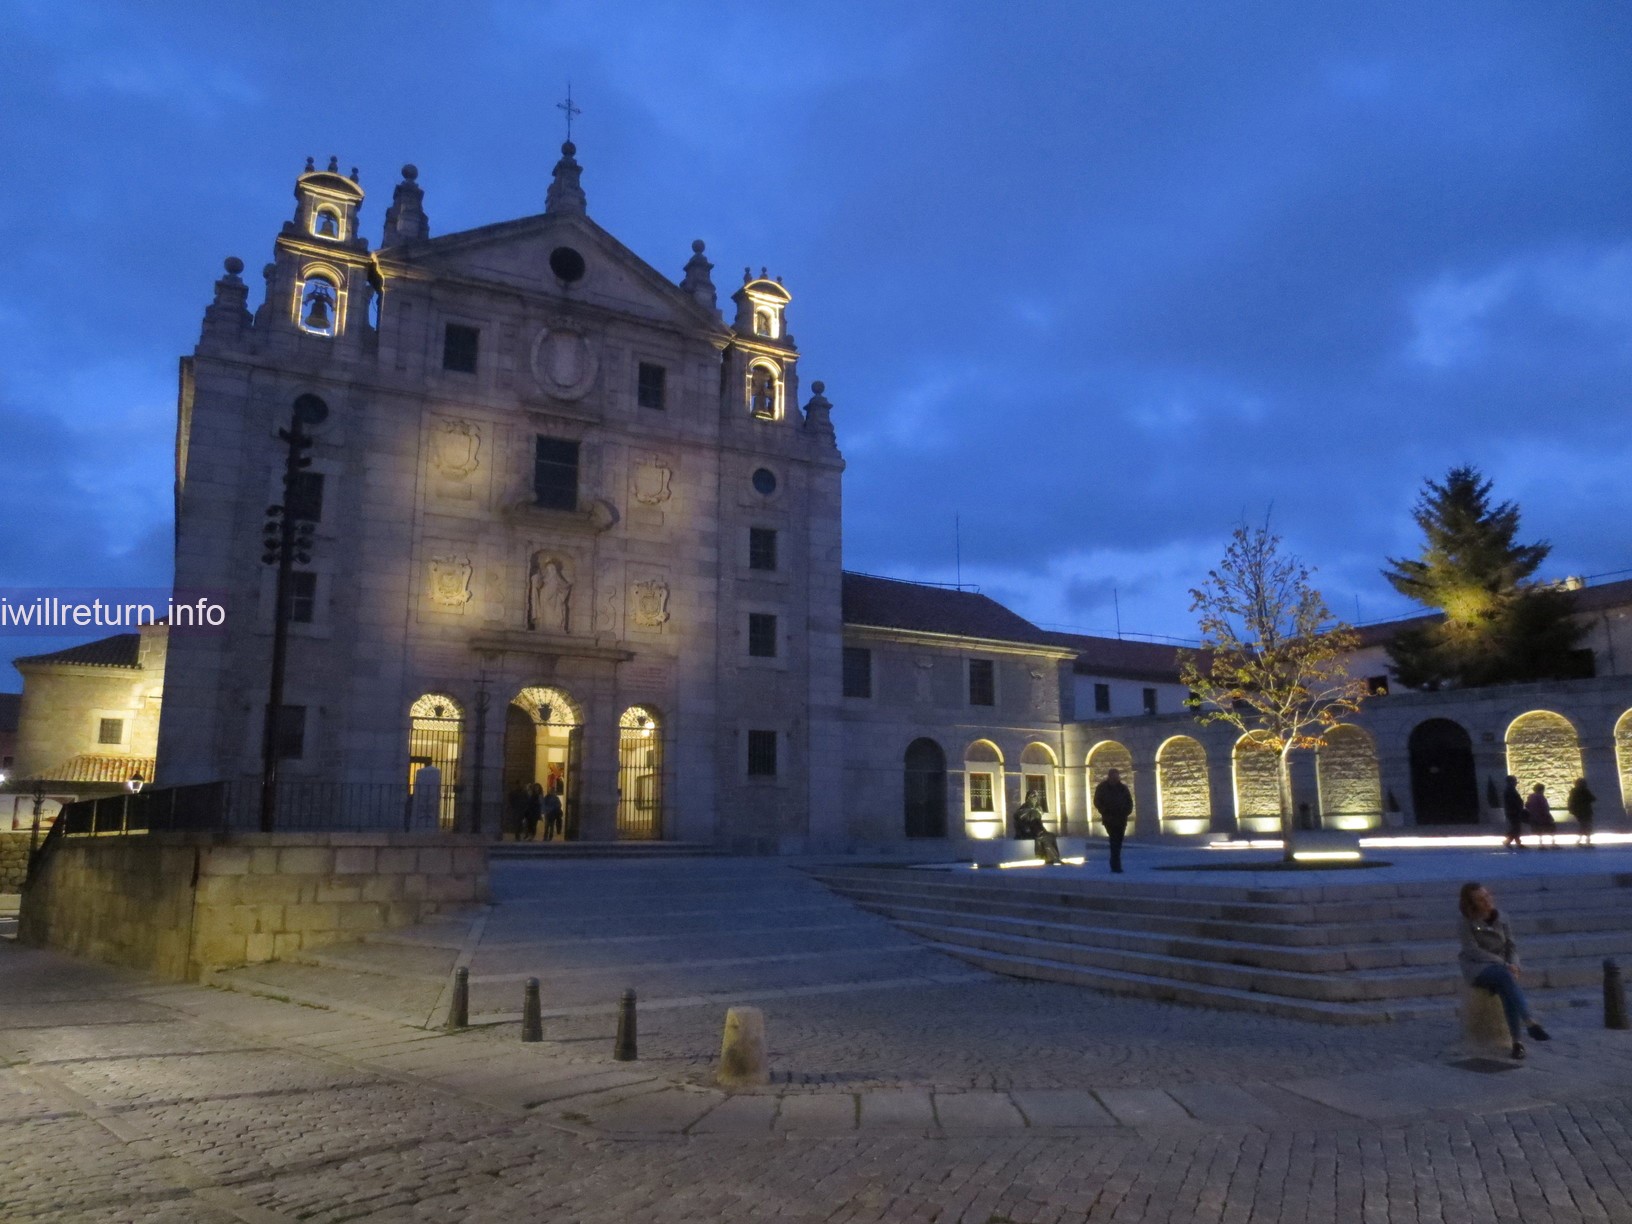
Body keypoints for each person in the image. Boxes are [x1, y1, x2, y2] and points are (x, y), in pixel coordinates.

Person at [1458, 881, 1550, 1060]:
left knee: (1505, 985)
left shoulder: (1502, 917)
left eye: (1487, 895)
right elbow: (1472, 950)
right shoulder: (1465, 922)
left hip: (1503, 967)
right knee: (1504, 977)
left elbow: (1511, 946)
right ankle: (1529, 1022)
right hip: (1478, 967)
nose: (1487, 901)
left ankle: (1517, 1043)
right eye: (1480, 899)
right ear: (1472, 904)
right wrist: (1502, 963)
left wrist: (1514, 964)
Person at [1093, 768, 1134, 874]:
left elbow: (1129, 802)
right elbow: (1097, 801)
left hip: (1121, 819)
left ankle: (1116, 863)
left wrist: (1125, 812)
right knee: (1114, 841)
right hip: (1109, 819)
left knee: (1118, 842)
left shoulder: (1123, 788)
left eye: (1117, 776)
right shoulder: (1102, 788)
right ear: (1109, 776)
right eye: (1113, 776)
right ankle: (1115, 865)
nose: (1115, 778)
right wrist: (1105, 811)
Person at [1013, 790, 1062, 865]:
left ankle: (1051, 858)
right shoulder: (1024, 808)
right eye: (1033, 796)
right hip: (1028, 832)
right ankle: (1053, 859)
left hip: (1037, 830)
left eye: (1036, 796)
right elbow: (1019, 818)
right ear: (1028, 798)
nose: (1035, 798)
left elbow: (1038, 823)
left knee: (1051, 836)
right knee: (1045, 837)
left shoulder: (1037, 809)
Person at [1567, 777, 1596, 848]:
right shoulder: (1585, 791)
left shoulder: (1573, 791)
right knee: (1587, 826)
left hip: (1579, 812)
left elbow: (1570, 802)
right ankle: (1586, 841)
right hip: (1586, 811)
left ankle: (1580, 840)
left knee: (1583, 826)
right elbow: (1592, 798)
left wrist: (1572, 810)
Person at [1525, 783, 1555, 849]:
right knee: (1551, 829)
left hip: (1534, 816)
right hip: (1543, 816)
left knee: (1539, 831)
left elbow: (1527, 805)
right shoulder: (1540, 797)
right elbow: (1544, 807)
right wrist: (1548, 814)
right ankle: (1553, 843)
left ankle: (1541, 844)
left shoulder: (1531, 797)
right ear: (1542, 789)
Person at [1501, 775, 1526, 849]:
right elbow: (1513, 801)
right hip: (1513, 812)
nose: (1516, 783)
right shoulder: (1510, 790)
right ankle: (1508, 841)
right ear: (1510, 781)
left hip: (1513, 811)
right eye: (1514, 781)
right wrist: (1519, 808)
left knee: (1516, 827)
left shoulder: (1510, 789)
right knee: (1516, 827)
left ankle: (1517, 843)